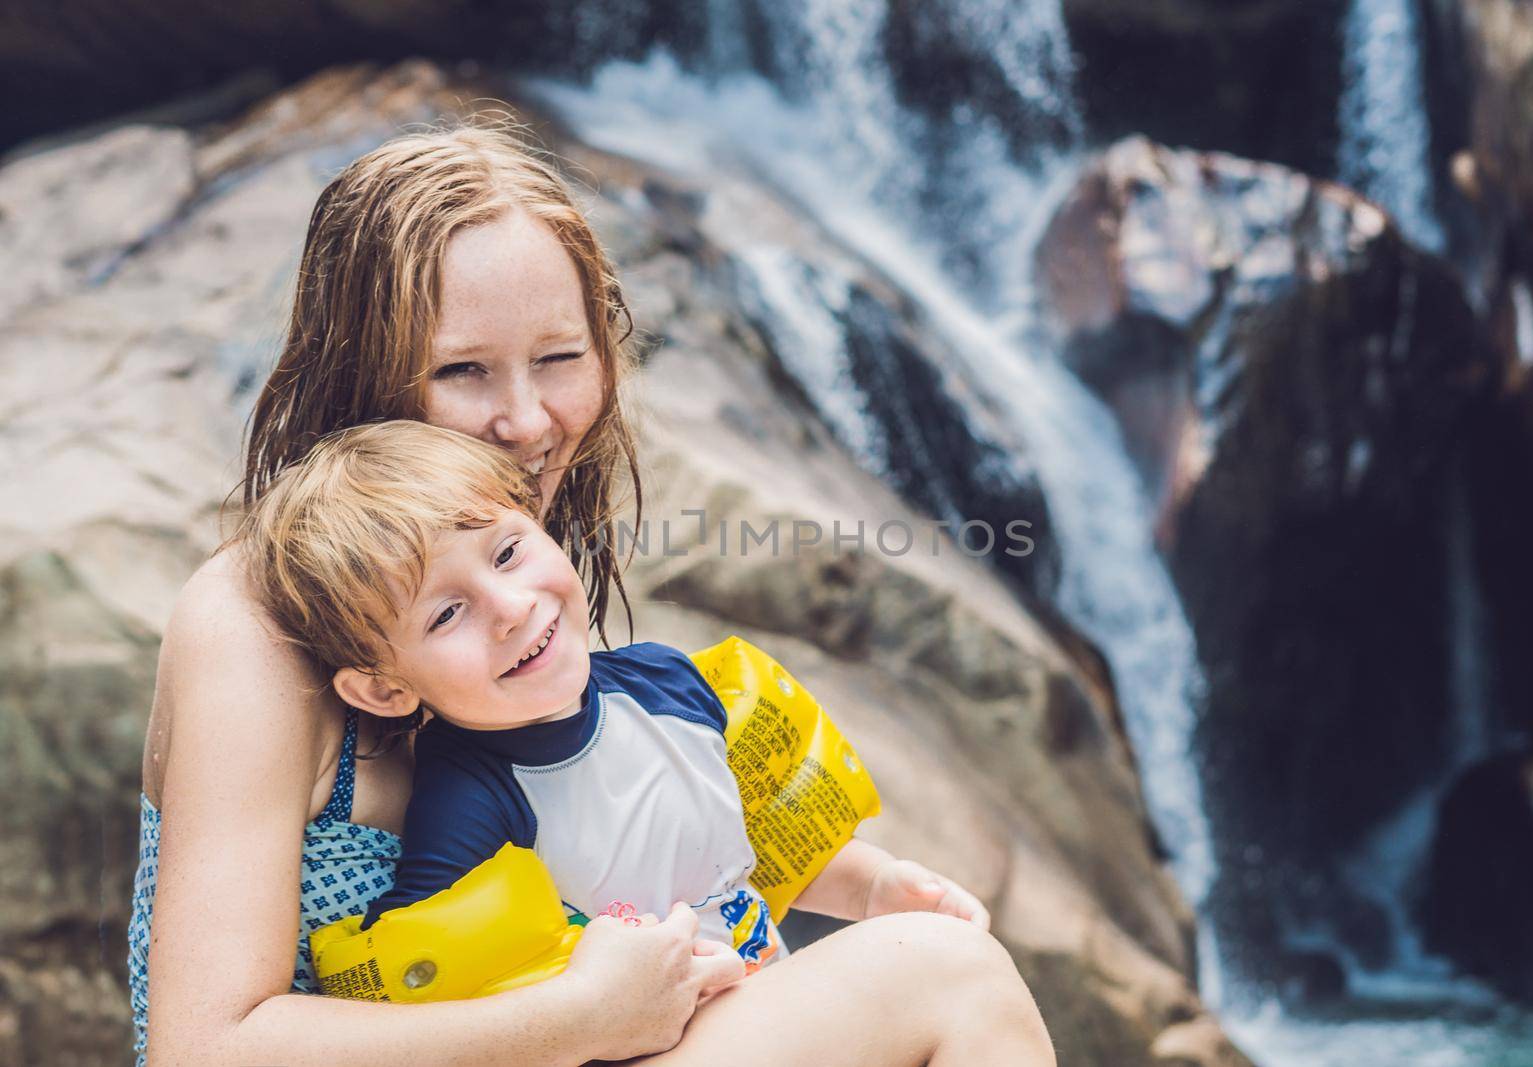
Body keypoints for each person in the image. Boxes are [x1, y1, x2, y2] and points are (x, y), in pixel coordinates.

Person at [130, 124, 1055, 1066]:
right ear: (362, 372)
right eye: (462, 370)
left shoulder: (514, 579)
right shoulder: (253, 624)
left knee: (929, 958)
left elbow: (651, 859)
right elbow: (200, 1049)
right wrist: (574, 1020)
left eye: (561, 358)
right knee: (948, 975)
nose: (528, 420)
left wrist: (860, 885)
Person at [238, 419, 991, 975]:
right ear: (384, 687)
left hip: (772, 998)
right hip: (657, 1044)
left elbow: (745, 858)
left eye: (507, 551)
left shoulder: (670, 684)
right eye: (445, 612)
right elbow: (434, 963)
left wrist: (876, 885)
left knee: (951, 962)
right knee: (949, 979)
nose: (508, 605)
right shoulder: (471, 794)